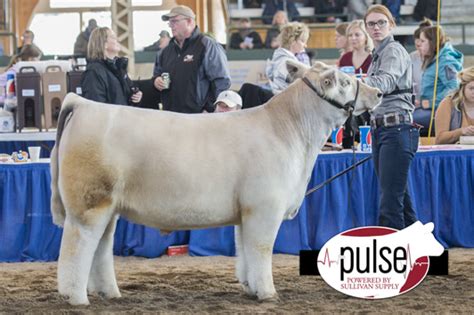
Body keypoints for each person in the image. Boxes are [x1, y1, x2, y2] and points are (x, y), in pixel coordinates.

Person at [363, 5, 419, 230]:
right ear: (366, 27)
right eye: (371, 24)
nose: (376, 28)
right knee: (399, 199)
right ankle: (422, 251)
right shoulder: (377, 54)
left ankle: (395, 258)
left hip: (396, 130)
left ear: (391, 24)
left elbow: (382, 84)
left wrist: (348, 85)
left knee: (390, 203)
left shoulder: (393, 51)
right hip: (384, 130)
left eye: (381, 23)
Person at [153, 5, 231, 113]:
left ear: (189, 21)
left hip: (200, 116)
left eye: (175, 21)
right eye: (170, 22)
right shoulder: (165, 51)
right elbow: (157, 74)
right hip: (171, 116)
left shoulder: (207, 45)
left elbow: (221, 81)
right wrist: (156, 81)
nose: (171, 26)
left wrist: (210, 109)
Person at [414, 25, 463, 134]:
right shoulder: (434, 60)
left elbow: (454, 87)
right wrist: (422, 103)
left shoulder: (445, 61)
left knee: (407, 121)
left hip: (439, 111)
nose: (419, 44)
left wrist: (431, 103)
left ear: (432, 42)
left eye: (423, 41)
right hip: (428, 109)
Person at [81, 27, 142, 106]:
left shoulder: (119, 69)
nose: (118, 40)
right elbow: (95, 108)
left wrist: (135, 97)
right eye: (113, 37)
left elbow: (127, 96)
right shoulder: (93, 72)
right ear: (104, 44)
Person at [338, 19, 373, 148]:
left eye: (357, 35)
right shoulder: (345, 58)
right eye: (350, 35)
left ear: (365, 36)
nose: (353, 38)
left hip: (366, 102)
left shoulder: (372, 58)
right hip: (348, 100)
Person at [435, 67, 474, 144]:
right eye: (471, 88)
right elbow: (439, 139)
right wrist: (461, 132)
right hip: (453, 155)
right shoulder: (447, 104)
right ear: (462, 88)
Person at [409, 19, 432, 107]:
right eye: (417, 46)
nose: (420, 49)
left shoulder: (440, 59)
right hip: (417, 104)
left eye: (422, 44)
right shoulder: (411, 57)